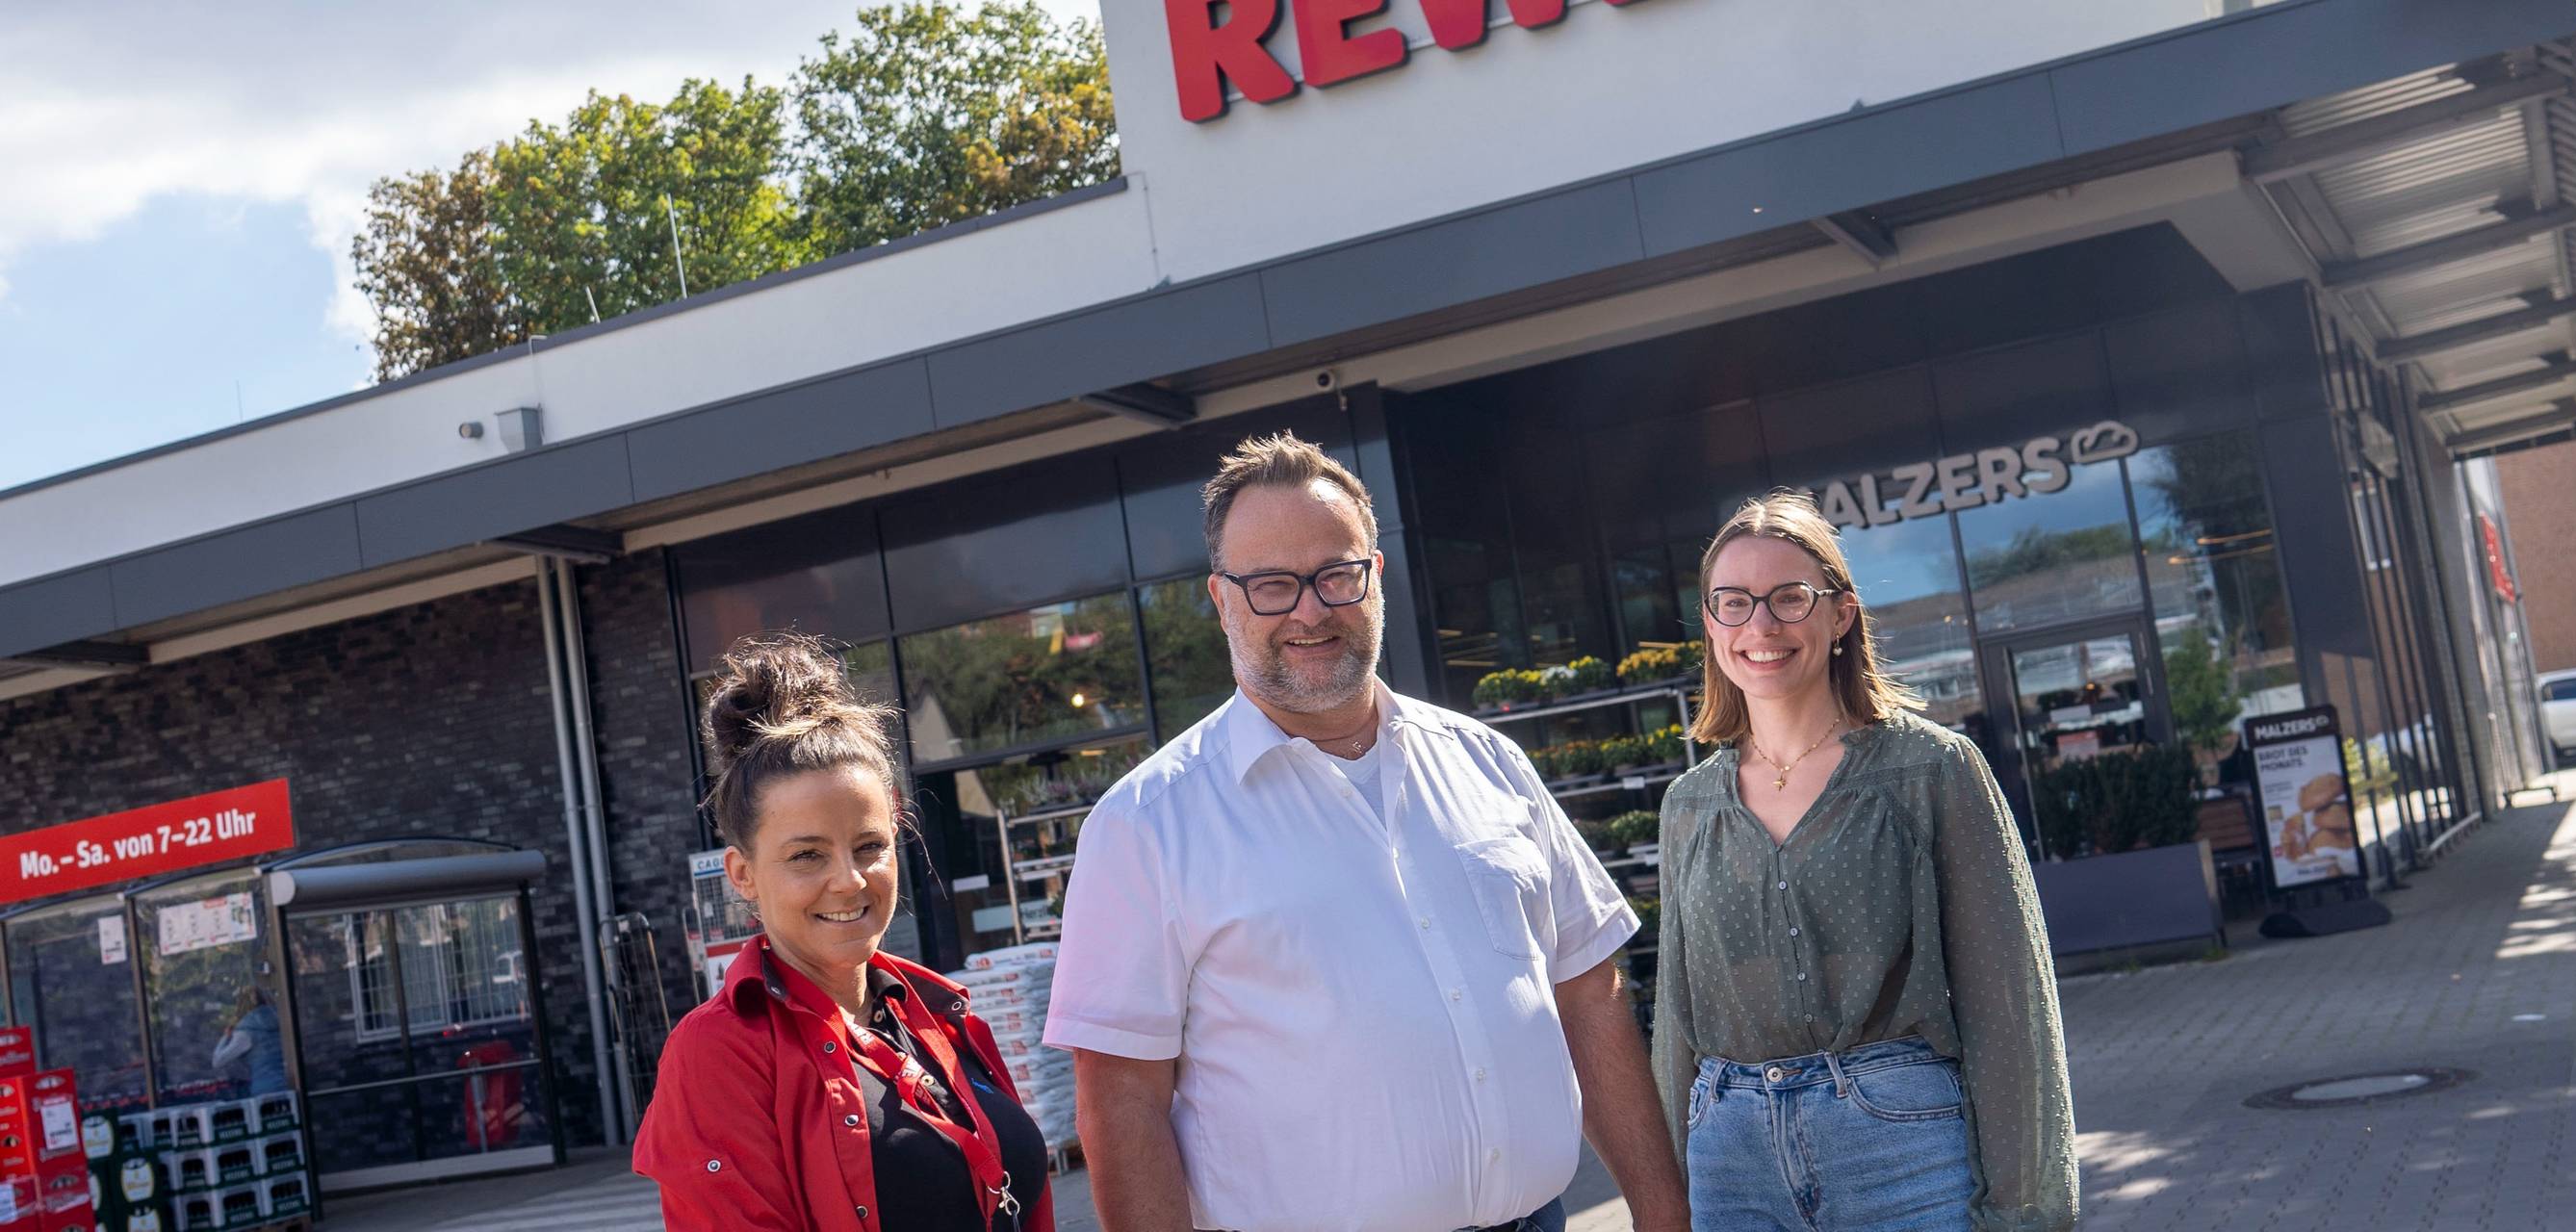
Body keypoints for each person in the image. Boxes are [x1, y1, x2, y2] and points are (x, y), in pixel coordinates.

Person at [1045, 432, 1687, 1232]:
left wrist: (1666, 1213)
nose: (1309, 610)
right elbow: (1121, 1099)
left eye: (1335, 575)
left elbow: (1588, 992)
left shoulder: (1489, 761)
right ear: (1221, 600)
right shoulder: (1147, 825)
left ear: (1376, 576)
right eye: (1272, 585)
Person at [1651, 491, 2077, 1232]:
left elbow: (2008, 1003)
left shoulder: (1931, 770)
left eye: (1790, 599)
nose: (1761, 625)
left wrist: (2023, 1208)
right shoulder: (1688, 805)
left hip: (1901, 1147)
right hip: (1731, 1162)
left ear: (1840, 615)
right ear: (1712, 623)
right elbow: (1676, 1023)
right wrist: (1666, 1200)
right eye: (1734, 602)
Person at [635, 633, 1052, 1232]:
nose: (850, 881)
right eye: (807, 855)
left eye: (869, 847)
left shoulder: (940, 1016)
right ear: (743, 874)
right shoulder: (719, 1054)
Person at [211, 986, 288, 1096]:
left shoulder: (245, 1033)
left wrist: (226, 1037)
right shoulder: (283, 1020)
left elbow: (218, 1061)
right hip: (290, 1082)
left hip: (266, 1090)